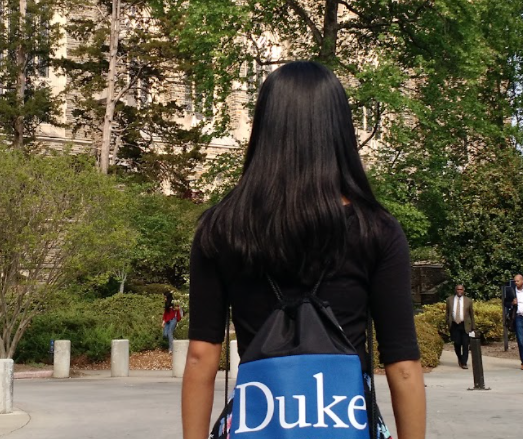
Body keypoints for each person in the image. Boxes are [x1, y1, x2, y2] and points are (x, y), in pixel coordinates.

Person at [181, 61, 425, 439]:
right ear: (339, 128)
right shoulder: (376, 229)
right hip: (345, 424)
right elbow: (403, 365)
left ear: (265, 127)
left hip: (259, 424)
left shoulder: (221, 229)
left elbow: (201, 356)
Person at [445, 284, 476, 370]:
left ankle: (464, 362)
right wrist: (448, 322)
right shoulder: (449, 300)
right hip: (454, 325)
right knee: (457, 344)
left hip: (465, 325)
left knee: (465, 344)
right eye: (458, 289)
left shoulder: (468, 301)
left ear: (463, 291)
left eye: (461, 289)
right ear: (455, 290)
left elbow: (471, 314)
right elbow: (447, 313)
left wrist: (473, 327)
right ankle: (460, 357)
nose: (459, 291)